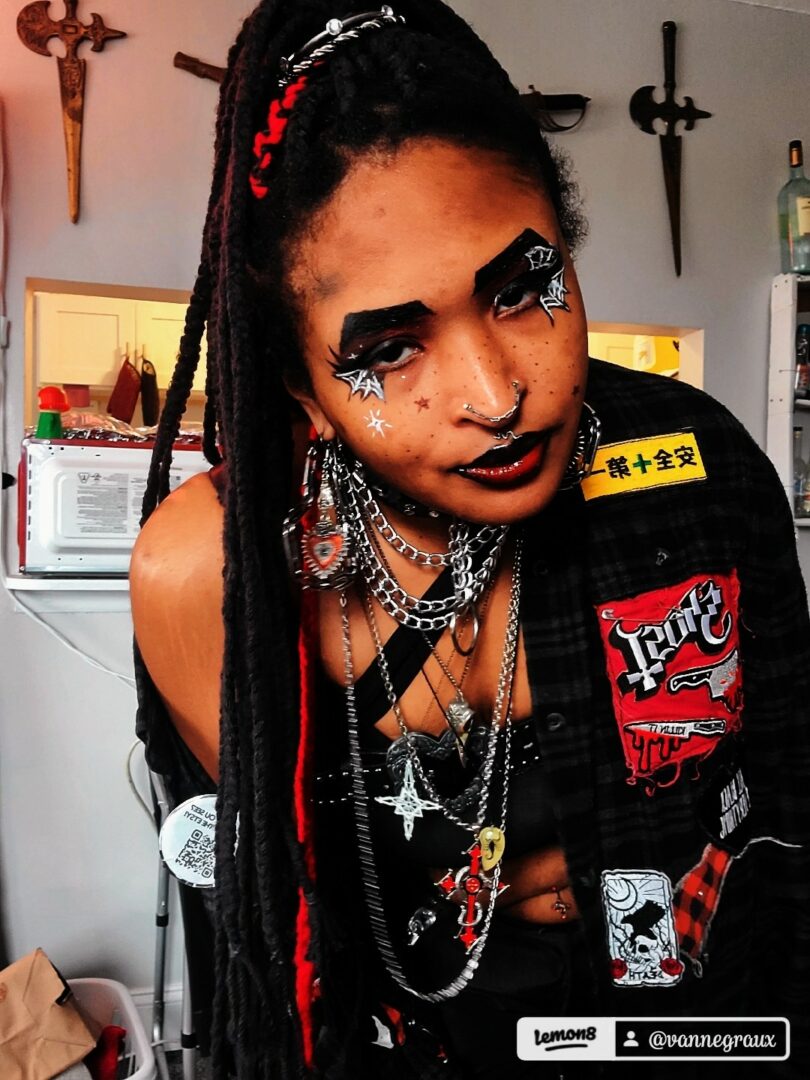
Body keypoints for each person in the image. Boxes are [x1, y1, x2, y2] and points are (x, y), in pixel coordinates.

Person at [129, 2, 810, 1078]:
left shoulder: (702, 467)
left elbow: (788, 783)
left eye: (522, 291)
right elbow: (274, 900)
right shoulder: (212, 571)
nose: (496, 396)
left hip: (690, 1024)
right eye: (391, 348)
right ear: (301, 383)